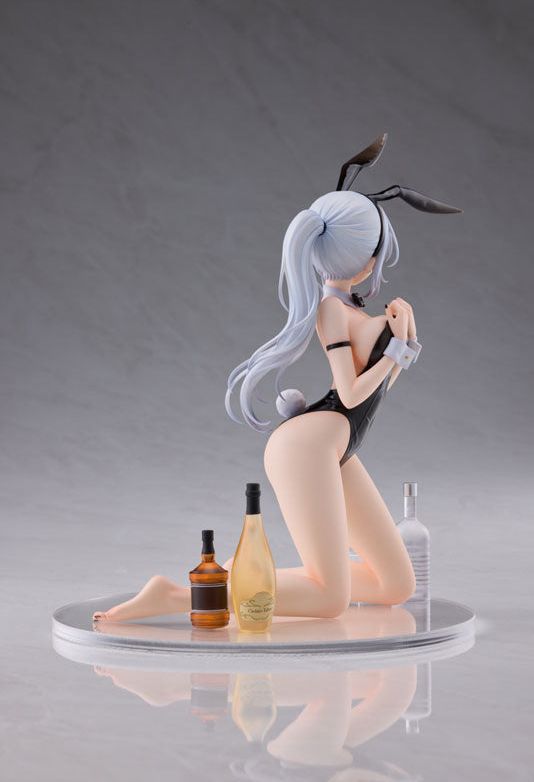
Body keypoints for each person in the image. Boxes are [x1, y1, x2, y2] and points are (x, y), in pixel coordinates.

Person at [93, 135, 460, 623]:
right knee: (329, 600)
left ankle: (239, 577)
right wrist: (394, 349)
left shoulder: (351, 308)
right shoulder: (331, 310)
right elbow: (353, 392)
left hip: (336, 444)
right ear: (367, 258)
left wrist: (406, 334)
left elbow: (377, 391)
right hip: (308, 446)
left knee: (396, 583)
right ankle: (179, 595)